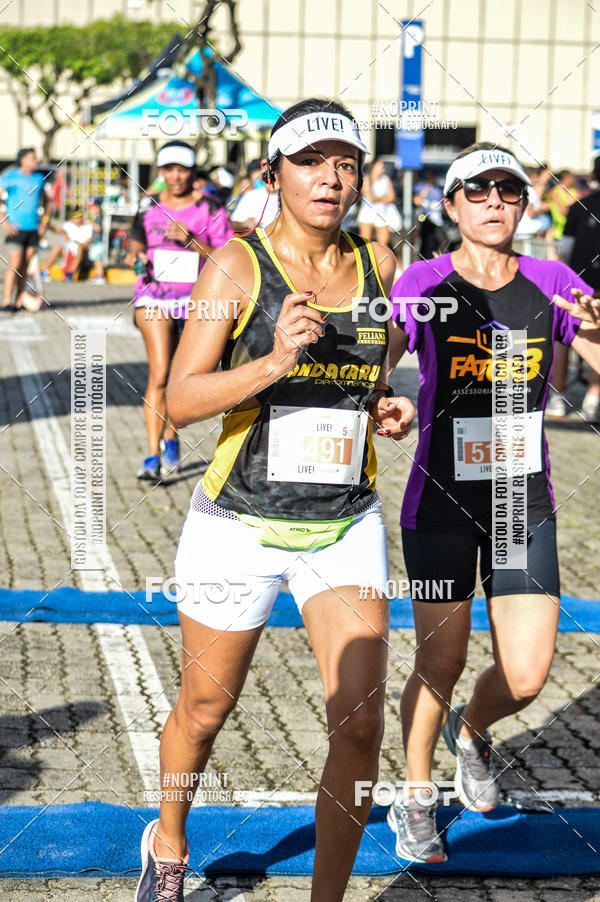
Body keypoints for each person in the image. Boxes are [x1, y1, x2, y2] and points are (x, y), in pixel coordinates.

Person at [134, 97, 415, 902]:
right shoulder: (236, 266)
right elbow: (179, 400)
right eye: (310, 162)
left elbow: (371, 369)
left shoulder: (379, 264)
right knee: (204, 708)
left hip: (344, 524)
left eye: (345, 164)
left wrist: (382, 404)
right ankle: (169, 839)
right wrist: (272, 361)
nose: (330, 178)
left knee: (360, 724)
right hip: (239, 523)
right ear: (273, 174)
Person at [385, 142, 600, 864]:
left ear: (523, 205)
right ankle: (415, 795)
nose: (494, 203)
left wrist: (596, 325)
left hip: (520, 503)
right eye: (476, 192)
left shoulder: (553, 280)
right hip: (440, 501)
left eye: (507, 191)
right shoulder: (422, 279)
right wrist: (382, 398)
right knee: (439, 661)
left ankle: (471, 733)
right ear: (452, 206)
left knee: (527, 674)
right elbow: (379, 361)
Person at [125, 140, 233, 482]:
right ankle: (151, 456)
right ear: (160, 171)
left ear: (192, 172)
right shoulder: (149, 204)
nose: (175, 176)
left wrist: (192, 241)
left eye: (181, 169)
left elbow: (227, 257)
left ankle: (171, 435)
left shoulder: (210, 208)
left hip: (196, 300)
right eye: (168, 169)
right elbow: (136, 236)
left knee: (178, 376)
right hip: (153, 296)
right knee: (159, 374)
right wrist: (136, 253)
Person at [0, 147, 50, 311]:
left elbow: (47, 202)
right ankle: (6, 301)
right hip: (16, 229)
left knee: (25, 267)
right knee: (14, 264)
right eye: (33, 158)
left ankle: (19, 301)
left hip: (33, 228)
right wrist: (5, 221)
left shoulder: (38, 178)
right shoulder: (10, 176)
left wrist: (44, 222)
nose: (36, 161)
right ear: (23, 160)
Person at [357, 157, 400, 245]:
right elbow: (370, 197)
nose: (383, 168)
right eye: (381, 166)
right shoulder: (366, 179)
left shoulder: (386, 179)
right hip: (367, 213)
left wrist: (378, 199)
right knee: (365, 242)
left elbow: (392, 197)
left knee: (383, 244)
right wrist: (384, 198)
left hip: (382, 214)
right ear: (374, 167)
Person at [42, 209, 93, 281]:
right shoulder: (68, 225)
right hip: (68, 251)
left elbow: (87, 244)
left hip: (82, 254)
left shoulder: (88, 227)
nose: (75, 219)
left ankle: (70, 274)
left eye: (77, 217)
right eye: (74, 217)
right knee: (57, 248)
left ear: (82, 218)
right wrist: (46, 223)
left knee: (80, 248)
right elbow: (56, 229)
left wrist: (76, 243)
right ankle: (45, 271)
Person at [230, 158, 279, 230]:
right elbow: (233, 223)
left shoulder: (287, 196)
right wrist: (244, 224)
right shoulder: (250, 196)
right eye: (257, 179)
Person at [413, 170, 444, 258]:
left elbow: (441, 206)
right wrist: (423, 193)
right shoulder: (419, 187)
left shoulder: (438, 190)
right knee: (424, 242)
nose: (429, 180)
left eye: (431, 178)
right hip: (423, 219)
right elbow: (416, 201)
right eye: (427, 178)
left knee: (436, 243)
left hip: (437, 222)